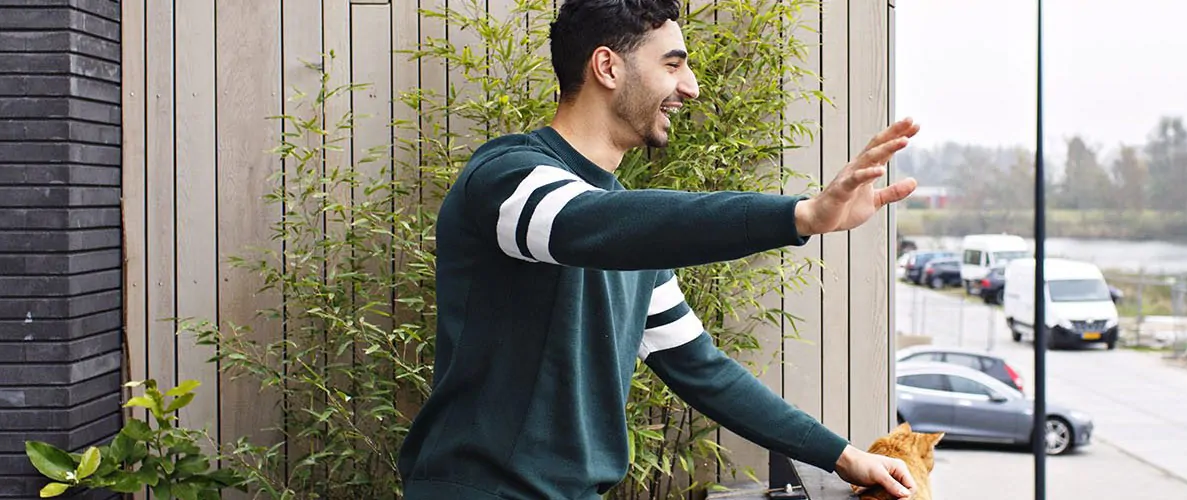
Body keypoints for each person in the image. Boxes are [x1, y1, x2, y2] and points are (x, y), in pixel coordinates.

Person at [395, 0, 922, 498]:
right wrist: (800, 215)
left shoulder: (628, 227)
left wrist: (844, 456)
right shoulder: (507, 178)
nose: (690, 87)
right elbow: (588, 225)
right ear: (607, 66)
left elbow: (701, 368)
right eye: (673, 65)